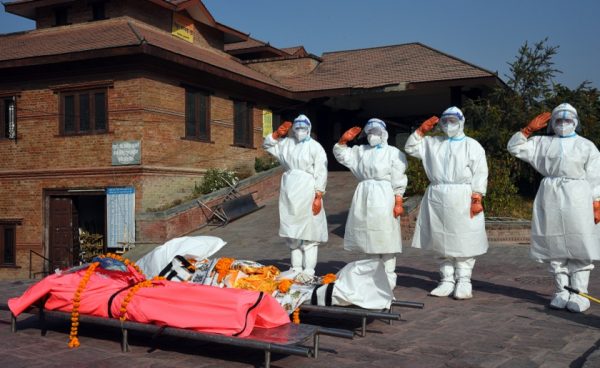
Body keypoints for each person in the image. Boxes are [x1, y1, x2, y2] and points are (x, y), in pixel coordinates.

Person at [507, 103, 600, 312]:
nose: (563, 124)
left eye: (568, 120)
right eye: (559, 120)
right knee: (554, 241)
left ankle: (580, 293)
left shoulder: (586, 146)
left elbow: (596, 175)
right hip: (550, 194)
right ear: (552, 123)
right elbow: (514, 148)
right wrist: (527, 130)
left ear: (575, 122)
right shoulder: (541, 143)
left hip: (578, 195)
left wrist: (597, 201)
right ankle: (561, 291)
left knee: (580, 242)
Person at [405, 106, 488, 300]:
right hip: (437, 194)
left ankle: (464, 280)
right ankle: (447, 279)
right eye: (445, 121)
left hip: (462, 195)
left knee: (464, 238)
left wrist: (477, 196)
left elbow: (481, 172)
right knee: (440, 239)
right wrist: (420, 131)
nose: (449, 125)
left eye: (453, 121)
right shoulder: (433, 143)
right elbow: (410, 148)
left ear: (461, 122)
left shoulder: (472, 145)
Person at [333, 118, 407, 293]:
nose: (373, 136)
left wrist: (398, 200)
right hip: (364, 195)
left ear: (384, 134)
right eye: (370, 132)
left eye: (377, 132)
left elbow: (399, 177)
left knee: (386, 235)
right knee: (369, 237)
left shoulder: (393, 152)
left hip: (384, 195)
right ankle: (373, 275)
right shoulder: (360, 151)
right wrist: (343, 141)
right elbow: (343, 155)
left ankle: (389, 276)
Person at [263, 114, 328, 282]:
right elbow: (268, 145)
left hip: (307, 189)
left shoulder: (315, 147)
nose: (300, 131)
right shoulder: (287, 144)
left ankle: (308, 269)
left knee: (309, 232)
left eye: (303, 128)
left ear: (309, 129)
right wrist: (277, 134)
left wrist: (318, 195)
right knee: (292, 231)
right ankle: (296, 268)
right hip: (289, 190)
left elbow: (321, 171)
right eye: (297, 128)